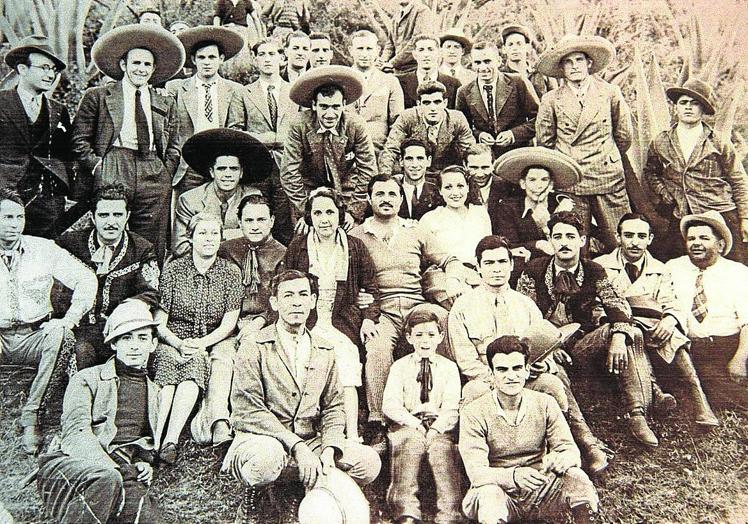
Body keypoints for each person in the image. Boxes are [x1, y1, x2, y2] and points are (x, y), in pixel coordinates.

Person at [221, 269, 381, 522]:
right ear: (274, 302)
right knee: (264, 462)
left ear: (313, 301)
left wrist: (329, 449)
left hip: (311, 440)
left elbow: (334, 406)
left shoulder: (325, 349)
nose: (296, 302)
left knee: (368, 463)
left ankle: (309, 482)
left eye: (303, 294)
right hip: (266, 439)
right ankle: (259, 490)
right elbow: (247, 409)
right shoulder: (254, 346)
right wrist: (297, 447)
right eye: (288, 295)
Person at [448, 235, 610, 474]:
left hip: (525, 378)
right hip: (486, 380)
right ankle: (477, 464)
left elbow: (543, 348)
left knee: (553, 384)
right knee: (473, 392)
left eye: (502, 262)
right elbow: (466, 361)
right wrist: (498, 378)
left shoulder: (525, 305)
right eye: (489, 263)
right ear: (478, 266)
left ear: (512, 265)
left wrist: (541, 366)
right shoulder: (462, 308)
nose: (497, 269)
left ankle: (575, 447)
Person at [516, 211, 662, 448]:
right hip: (546, 351)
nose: (564, 242)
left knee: (630, 334)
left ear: (582, 240)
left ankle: (637, 414)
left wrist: (617, 336)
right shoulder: (534, 270)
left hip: (581, 346)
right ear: (550, 239)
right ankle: (587, 441)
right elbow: (522, 316)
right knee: (555, 374)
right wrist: (547, 350)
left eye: (571, 236)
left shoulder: (593, 270)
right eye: (558, 236)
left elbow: (616, 303)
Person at [350, 175, 469, 448]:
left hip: (416, 304)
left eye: (392, 194)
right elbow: (347, 277)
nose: (386, 199)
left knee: (444, 319)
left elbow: (449, 259)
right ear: (369, 199)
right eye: (379, 194)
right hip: (382, 310)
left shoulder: (414, 230)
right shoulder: (357, 235)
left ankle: (449, 411)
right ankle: (378, 421)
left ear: (401, 199)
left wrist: (452, 278)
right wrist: (357, 296)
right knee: (377, 347)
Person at [36, 300, 164, 523]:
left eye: (142, 338)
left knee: (148, 518)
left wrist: (144, 461)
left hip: (124, 473)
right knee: (107, 480)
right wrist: (114, 468)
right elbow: (76, 434)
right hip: (73, 464)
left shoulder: (156, 393)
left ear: (153, 344)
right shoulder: (86, 379)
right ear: (114, 344)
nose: (134, 346)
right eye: (126, 337)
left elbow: (143, 438)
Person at [72, 24, 185, 263]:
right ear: (123, 65)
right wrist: (97, 167)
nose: (141, 69)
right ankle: (106, 285)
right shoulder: (99, 96)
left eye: (146, 64)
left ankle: (147, 289)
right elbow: (79, 139)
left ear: (154, 69)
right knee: (111, 228)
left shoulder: (165, 101)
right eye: (136, 63)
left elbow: (175, 142)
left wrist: (166, 171)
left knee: (151, 236)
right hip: (114, 163)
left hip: (153, 168)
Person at [595, 213, 719, 427]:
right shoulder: (600, 266)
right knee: (631, 330)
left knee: (674, 334)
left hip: (651, 329)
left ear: (650, 239)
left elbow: (670, 302)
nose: (635, 242)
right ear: (618, 237)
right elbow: (596, 306)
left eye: (641, 236)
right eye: (629, 235)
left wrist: (670, 319)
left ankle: (697, 394)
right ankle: (653, 391)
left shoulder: (659, 270)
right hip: (614, 331)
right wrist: (621, 321)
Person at [459, 335, 599, 524]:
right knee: (489, 494)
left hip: (539, 487)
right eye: (502, 369)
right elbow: (476, 473)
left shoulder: (545, 403)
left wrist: (560, 459)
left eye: (517, 368)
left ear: (526, 371)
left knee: (577, 476)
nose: (511, 376)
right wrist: (514, 475)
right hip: (499, 491)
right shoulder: (474, 412)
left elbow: (570, 451)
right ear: (491, 375)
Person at [0, 189, 97, 454]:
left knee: (62, 336)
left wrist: (69, 319)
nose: (15, 224)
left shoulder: (42, 249)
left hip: (35, 334)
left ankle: (32, 416)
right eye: (7, 217)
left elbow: (86, 279)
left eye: (19, 217)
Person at [284, 187, 380, 441]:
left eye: (330, 212)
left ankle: (350, 433)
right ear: (310, 217)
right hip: (308, 321)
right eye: (318, 213)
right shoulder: (299, 247)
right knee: (307, 358)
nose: (324, 219)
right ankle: (307, 426)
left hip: (341, 322)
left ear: (340, 214)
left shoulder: (354, 247)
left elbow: (370, 287)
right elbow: (284, 284)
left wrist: (369, 317)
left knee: (346, 359)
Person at [153, 213, 243, 460]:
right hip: (174, 338)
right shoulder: (173, 270)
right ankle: (155, 439)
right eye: (202, 233)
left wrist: (202, 343)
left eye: (214, 233)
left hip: (210, 339)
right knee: (170, 373)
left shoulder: (230, 272)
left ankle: (170, 441)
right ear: (190, 237)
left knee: (193, 368)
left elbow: (229, 322)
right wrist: (177, 343)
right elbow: (159, 320)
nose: (209, 239)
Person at [536, 35, 633, 251]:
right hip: (572, 181)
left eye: (579, 60)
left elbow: (624, 135)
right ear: (561, 68)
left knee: (621, 237)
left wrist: (605, 156)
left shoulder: (609, 93)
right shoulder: (551, 99)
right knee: (573, 243)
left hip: (608, 177)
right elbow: (545, 142)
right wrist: (566, 167)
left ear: (589, 63)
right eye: (568, 62)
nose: (574, 66)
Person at [57, 184, 160, 370]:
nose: (111, 222)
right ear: (93, 217)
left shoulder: (142, 249)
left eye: (118, 215)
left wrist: (122, 313)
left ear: (127, 216)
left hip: (121, 330)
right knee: (81, 354)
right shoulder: (69, 244)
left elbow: (149, 292)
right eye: (104, 215)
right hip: (80, 328)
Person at [645, 78, 748, 263]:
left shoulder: (718, 142)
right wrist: (663, 191)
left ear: (703, 109)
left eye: (695, 103)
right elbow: (651, 171)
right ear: (675, 107)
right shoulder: (661, 141)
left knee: (732, 266)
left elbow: (738, 179)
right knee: (679, 265)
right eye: (683, 102)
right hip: (682, 215)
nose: (688, 107)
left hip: (720, 212)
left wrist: (745, 217)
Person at [382, 309, 462, 524]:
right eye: (418, 335)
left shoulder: (449, 368)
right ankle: (406, 510)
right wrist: (414, 423)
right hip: (408, 423)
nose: (425, 341)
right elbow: (390, 404)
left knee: (441, 449)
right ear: (409, 338)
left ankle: (449, 513)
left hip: (439, 426)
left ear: (440, 337)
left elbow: (452, 407)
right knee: (409, 443)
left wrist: (435, 429)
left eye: (430, 335)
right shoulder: (399, 367)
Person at [666, 211, 748, 414]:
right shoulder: (673, 268)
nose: (696, 243)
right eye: (691, 238)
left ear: (720, 245)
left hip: (733, 342)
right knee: (709, 380)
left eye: (704, 238)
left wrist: (739, 358)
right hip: (696, 347)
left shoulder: (738, 272)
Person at [281, 65, 377, 225]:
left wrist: (353, 212)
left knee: (349, 234)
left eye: (336, 107)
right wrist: (307, 212)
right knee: (305, 235)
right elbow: (289, 173)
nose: (330, 114)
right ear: (314, 105)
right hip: (308, 188)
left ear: (344, 104)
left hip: (346, 185)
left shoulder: (356, 125)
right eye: (324, 107)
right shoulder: (299, 125)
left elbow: (368, 170)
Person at [0, 36, 73, 238]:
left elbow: (66, 153)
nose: (50, 75)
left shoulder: (59, 111)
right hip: (5, 195)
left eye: (53, 69)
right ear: (23, 69)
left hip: (47, 201)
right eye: (43, 68)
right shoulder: (2, 102)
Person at [166, 26, 247, 200]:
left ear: (221, 59)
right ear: (194, 60)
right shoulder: (177, 88)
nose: (207, 62)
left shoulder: (235, 90)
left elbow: (236, 127)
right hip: (188, 164)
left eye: (212, 57)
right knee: (188, 212)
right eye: (201, 58)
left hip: (220, 163)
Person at [173, 128, 281, 256]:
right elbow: (180, 247)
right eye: (222, 169)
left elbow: (262, 238)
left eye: (233, 169)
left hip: (239, 264)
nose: (228, 175)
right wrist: (226, 234)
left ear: (241, 173)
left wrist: (207, 238)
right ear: (212, 172)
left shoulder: (252, 196)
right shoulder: (190, 200)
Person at [219, 193, 287, 344]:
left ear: (272, 221)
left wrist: (259, 322)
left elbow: (283, 300)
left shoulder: (283, 254)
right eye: (249, 220)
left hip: (267, 326)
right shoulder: (226, 250)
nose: (255, 226)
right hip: (227, 325)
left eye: (261, 220)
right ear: (240, 222)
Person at [492, 147, 580, 262]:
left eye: (544, 180)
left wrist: (546, 227)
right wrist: (537, 244)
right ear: (523, 183)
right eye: (532, 180)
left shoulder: (563, 205)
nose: (538, 186)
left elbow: (573, 245)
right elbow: (507, 244)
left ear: (551, 184)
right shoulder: (508, 208)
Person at [456, 41, 538, 159]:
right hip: (484, 159)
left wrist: (513, 134)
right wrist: (479, 135)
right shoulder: (463, 92)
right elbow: (462, 128)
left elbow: (539, 119)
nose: (483, 68)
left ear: (499, 61)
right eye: (478, 63)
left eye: (488, 61)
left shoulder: (518, 82)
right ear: (472, 64)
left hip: (518, 154)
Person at [379, 81, 475, 176]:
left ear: (445, 103)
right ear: (419, 104)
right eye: (427, 103)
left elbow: (469, 151)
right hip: (414, 173)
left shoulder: (457, 119)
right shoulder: (407, 117)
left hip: (445, 174)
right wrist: (386, 179)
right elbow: (391, 150)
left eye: (437, 102)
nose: (432, 108)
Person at [419, 165, 490, 279]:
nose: (455, 193)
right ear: (440, 190)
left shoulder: (480, 213)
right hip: (443, 275)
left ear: (468, 187)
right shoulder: (430, 219)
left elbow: (488, 249)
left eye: (460, 186)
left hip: (478, 274)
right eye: (448, 187)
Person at [349, 29, 405, 153]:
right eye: (359, 48)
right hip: (345, 153)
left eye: (369, 49)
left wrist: (388, 155)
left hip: (379, 151)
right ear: (350, 51)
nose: (364, 54)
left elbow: (397, 125)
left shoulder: (390, 82)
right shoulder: (342, 80)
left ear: (377, 51)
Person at [397, 34, 461, 109]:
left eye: (430, 49)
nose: (426, 54)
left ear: (439, 53)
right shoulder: (400, 82)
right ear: (414, 54)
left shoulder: (454, 84)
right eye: (421, 50)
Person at [381, 0, 437, 74]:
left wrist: (392, 63)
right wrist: (383, 60)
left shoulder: (422, 11)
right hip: (398, 70)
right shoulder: (397, 15)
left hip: (415, 70)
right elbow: (390, 43)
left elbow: (417, 42)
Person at [499, 24, 551, 103]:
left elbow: (555, 102)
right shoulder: (500, 76)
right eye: (510, 44)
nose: (514, 48)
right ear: (504, 49)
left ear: (528, 48)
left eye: (519, 44)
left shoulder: (541, 73)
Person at [396, 138, 442, 220]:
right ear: (401, 161)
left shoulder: (438, 190)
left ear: (428, 161)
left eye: (420, 158)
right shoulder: (393, 189)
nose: (414, 164)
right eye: (409, 159)